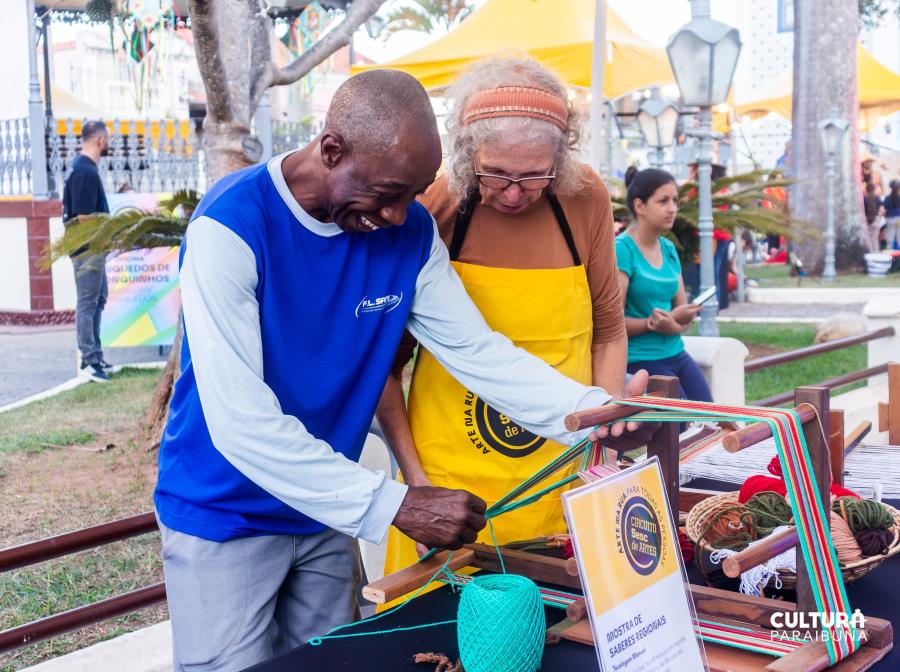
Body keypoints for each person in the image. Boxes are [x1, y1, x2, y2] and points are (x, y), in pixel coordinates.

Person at [154, 69, 638, 672]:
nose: (396, 215)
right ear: (332, 149)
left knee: (331, 664)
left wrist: (589, 412)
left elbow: (476, 352)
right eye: (386, 192)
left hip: (326, 508)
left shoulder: (406, 231)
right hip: (225, 512)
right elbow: (241, 422)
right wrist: (395, 505)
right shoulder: (230, 227)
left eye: (412, 195)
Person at [374, 56, 631, 580]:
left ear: (562, 157)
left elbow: (608, 331)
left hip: (560, 468)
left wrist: (600, 456)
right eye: (497, 175)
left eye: (535, 176)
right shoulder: (437, 204)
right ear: (467, 156)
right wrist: (416, 483)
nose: (514, 193)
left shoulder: (585, 197)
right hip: (449, 477)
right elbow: (385, 364)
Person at [616, 167, 713, 402]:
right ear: (640, 206)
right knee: (678, 426)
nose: (672, 208)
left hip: (675, 352)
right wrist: (653, 324)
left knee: (713, 416)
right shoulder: (622, 249)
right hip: (640, 360)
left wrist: (682, 317)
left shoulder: (668, 249)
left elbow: (679, 309)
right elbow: (612, 322)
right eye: (663, 201)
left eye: (675, 201)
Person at [62, 120, 111, 383]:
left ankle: (96, 354)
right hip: (87, 248)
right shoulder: (84, 171)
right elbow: (83, 217)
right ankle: (89, 360)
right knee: (88, 302)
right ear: (100, 140)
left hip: (93, 247)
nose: (109, 143)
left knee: (99, 298)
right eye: (108, 139)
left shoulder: (84, 168)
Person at [863, 181, 884, 252]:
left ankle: (871, 252)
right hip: (876, 220)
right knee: (875, 239)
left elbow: (863, 210)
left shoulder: (864, 199)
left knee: (869, 238)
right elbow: (882, 209)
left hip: (867, 220)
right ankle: (876, 253)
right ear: (874, 189)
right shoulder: (877, 198)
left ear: (866, 190)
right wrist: (879, 218)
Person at [883, 179, 900, 251]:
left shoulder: (887, 198)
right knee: (899, 233)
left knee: (890, 233)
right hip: (899, 218)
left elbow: (885, 207)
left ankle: (889, 249)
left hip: (890, 219)